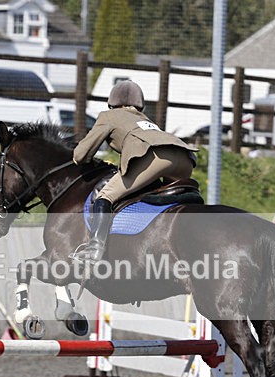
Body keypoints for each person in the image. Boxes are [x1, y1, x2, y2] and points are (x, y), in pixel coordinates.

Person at [70, 80, 199, 263]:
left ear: (112, 102)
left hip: (156, 158)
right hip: (185, 159)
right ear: (140, 104)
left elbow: (80, 155)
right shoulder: (144, 119)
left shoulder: (109, 116)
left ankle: (95, 249)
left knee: (105, 196)